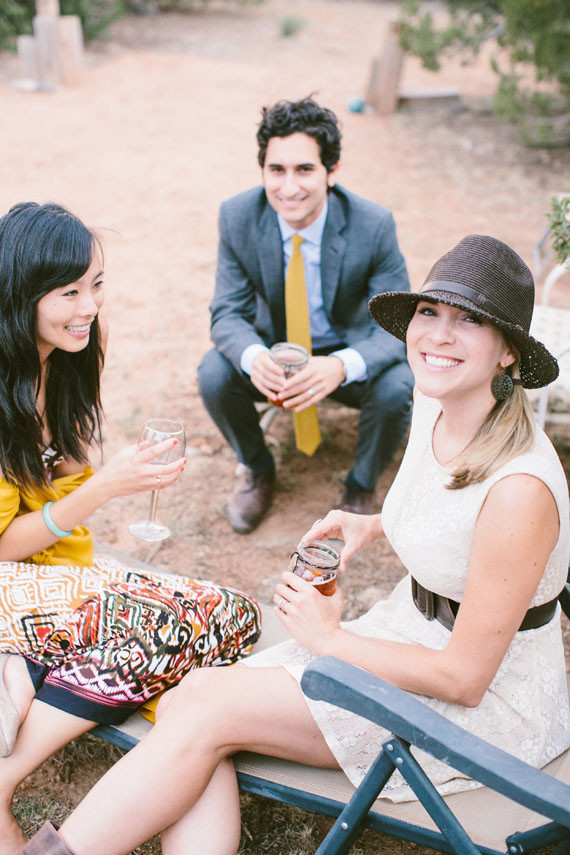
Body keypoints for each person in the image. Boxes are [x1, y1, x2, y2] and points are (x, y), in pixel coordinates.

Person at [24, 233, 569, 855]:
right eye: (430, 311)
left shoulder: (520, 490)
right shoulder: (440, 396)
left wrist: (329, 641)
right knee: (189, 703)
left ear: (508, 353)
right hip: (408, 633)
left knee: (202, 709)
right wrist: (379, 523)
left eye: (469, 321)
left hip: (482, 709)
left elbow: (465, 677)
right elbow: (455, 508)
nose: (439, 336)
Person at [0, 202, 261, 855]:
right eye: (69, 292)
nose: (89, 306)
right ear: (20, 295)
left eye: (96, 284)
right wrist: (105, 487)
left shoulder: (68, 353)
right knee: (165, 630)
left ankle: (42, 671)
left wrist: (92, 474)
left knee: (234, 620)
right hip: (11, 582)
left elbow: (61, 468)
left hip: (61, 578)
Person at [197, 96, 413, 534]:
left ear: (332, 171)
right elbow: (226, 312)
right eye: (277, 170)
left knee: (398, 385)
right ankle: (258, 468)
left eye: (305, 170)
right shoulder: (237, 217)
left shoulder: (373, 225)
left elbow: (397, 326)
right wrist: (255, 357)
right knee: (213, 373)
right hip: (279, 354)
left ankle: (360, 485)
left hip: (345, 351)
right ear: (262, 170)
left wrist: (341, 366)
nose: (289, 187)